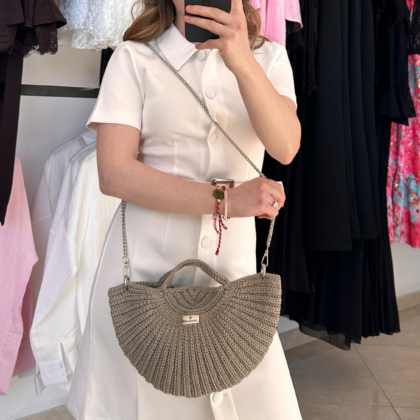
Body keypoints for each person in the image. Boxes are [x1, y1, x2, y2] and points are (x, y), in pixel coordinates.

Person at [66, 0, 303, 418]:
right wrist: (225, 200)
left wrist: (241, 60)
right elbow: (114, 173)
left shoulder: (268, 57)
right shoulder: (134, 57)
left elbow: (285, 147)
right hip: (142, 278)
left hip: (233, 276)